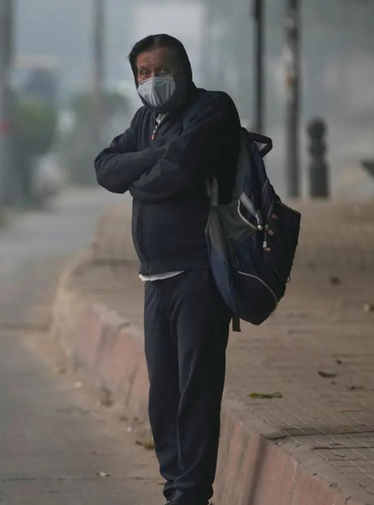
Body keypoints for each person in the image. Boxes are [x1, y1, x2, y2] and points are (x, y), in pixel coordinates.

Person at [93, 34, 241, 505]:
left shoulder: (212, 110)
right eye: (143, 73)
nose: (153, 80)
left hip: (198, 271)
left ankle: (192, 493)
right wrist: (157, 156)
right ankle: (174, 483)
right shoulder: (146, 120)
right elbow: (105, 169)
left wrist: (140, 175)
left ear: (184, 70)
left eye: (162, 70)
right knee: (164, 395)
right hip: (154, 279)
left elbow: (179, 174)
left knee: (196, 390)